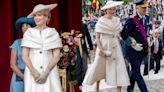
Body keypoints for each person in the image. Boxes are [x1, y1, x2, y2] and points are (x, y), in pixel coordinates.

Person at [83, 1, 130, 92]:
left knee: (119, 67)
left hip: (115, 46)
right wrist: (101, 49)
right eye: (110, 9)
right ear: (106, 10)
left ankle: (118, 90)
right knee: (99, 67)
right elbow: (97, 37)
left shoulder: (117, 20)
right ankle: (97, 87)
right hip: (104, 45)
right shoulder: (101, 21)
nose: (112, 11)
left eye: (113, 9)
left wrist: (130, 42)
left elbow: (121, 34)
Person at [21, 4, 62, 92]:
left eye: (39, 15)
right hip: (32, 72)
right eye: (35, 15)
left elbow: (56, 56)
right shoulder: (29, 33)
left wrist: (46, 72)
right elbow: (24, 55)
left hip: (50, 71)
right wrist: (33, 71)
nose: (36, 18)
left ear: (47, 17)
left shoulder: (53, 32)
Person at [121, 0, 149, 92]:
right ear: (137, 7)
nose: (145, 9)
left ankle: (130, 88)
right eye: (143, 7)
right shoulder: (131, 20)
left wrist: (148, 40)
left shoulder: (146, 18)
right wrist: (132, 44)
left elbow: (144, 33)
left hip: (141, 49)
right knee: (137, 73)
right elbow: (123, 34)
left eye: (145, 7)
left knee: (134, 70)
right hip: (133, 51)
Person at [10, 17, 36, 92]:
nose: (24, 27)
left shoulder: (37, 43)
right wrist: (24, 78)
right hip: (19, 77)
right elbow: (13, 65)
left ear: (32, 28)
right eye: (23, 26)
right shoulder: (17, 43)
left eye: (27, 25)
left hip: (34, 77)